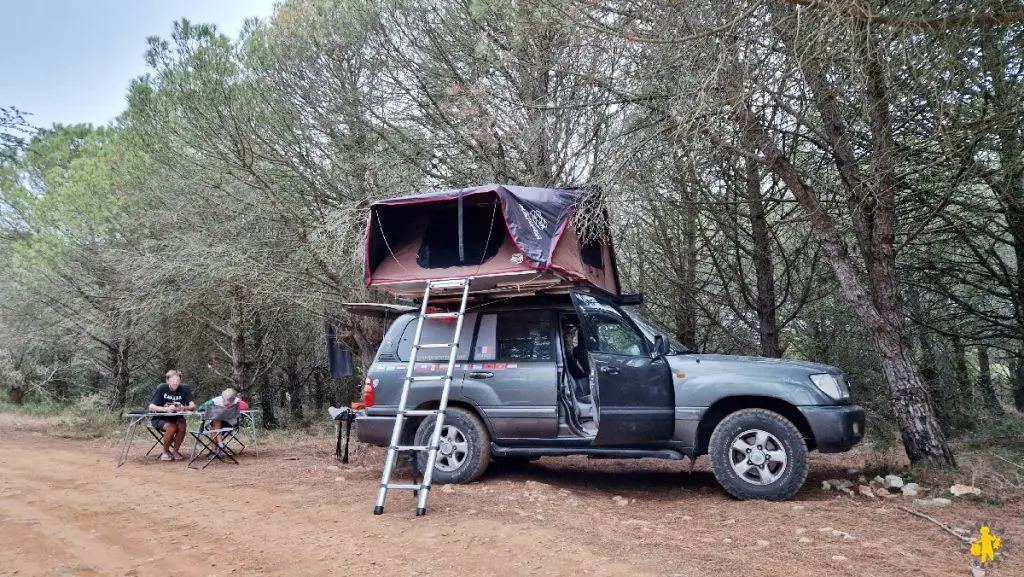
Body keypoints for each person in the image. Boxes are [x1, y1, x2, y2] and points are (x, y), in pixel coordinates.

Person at [148, 369, 195, 461]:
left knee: (182, 426)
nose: (175, 382)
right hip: (160, 417)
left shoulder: (185, 388)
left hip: (177, 417)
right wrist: (166, 409)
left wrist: (184, 408)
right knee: (171, 427)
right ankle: (165, 452)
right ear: (167, 380)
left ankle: (175, 451)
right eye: (173, 380)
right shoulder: (162, 388)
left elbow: (192, 405)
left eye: (177, 380)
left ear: (180, 381)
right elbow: (151, 406)